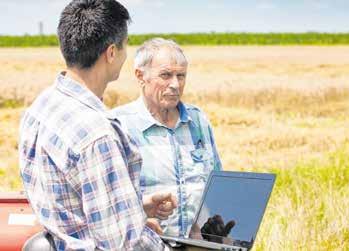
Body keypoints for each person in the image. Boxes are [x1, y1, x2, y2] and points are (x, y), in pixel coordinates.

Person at [19, 1, 176, 250]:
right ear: (111, 53)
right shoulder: (98, 135)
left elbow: (70, 206)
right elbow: (121, 244)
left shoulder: (40, 109)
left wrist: (137, 209)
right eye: (125, 47)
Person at [111, 38, 222, 238]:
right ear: (140, 75)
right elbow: (109, 201)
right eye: (166, 75)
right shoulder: (119, 125)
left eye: (181, 76)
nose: (175, 85)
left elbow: (218, 186)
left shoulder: (198, 121)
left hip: (201, 245)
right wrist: (142, 214)